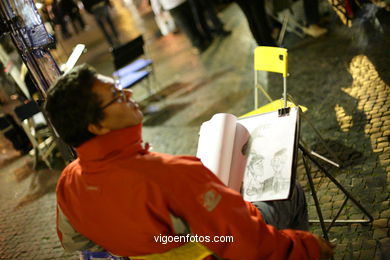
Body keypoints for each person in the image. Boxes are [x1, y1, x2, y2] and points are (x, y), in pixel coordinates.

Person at [45, 64, 335, 259]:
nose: (129, 94)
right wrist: (308, 248)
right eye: (117, 96)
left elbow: (75, 242)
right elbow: (245, 242)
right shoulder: (172, 175)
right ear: (97, 126)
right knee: (291, 192)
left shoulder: (68, 183)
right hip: (211, 251)